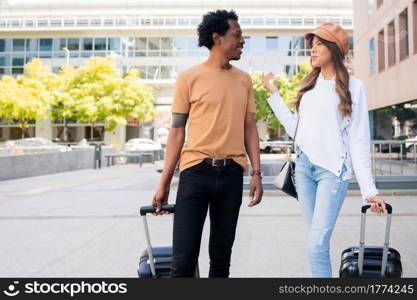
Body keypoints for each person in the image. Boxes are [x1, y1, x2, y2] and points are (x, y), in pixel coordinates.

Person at [261, 23, 387, 277]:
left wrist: (369, 191)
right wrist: (273, 94)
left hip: (332, 173)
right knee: (316, 243)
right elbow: (297, 128)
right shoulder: (309, 86)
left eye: (319, 44)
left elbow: (359, 140)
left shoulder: (354, 87)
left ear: (334, 49)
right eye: (312, 44)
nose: (313, 49)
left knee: (315, 246)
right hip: (305, 169)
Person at [152, 9, 263, 278]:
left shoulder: (244, 80)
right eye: (237, 35)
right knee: (183, 262)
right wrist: (164, 182)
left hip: (232, 175)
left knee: (221, 260)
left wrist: (256, 172)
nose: (242, 40)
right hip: (195, 173)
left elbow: (249, 127)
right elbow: (177, 132)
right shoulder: (188, 78)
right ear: (217, 38)